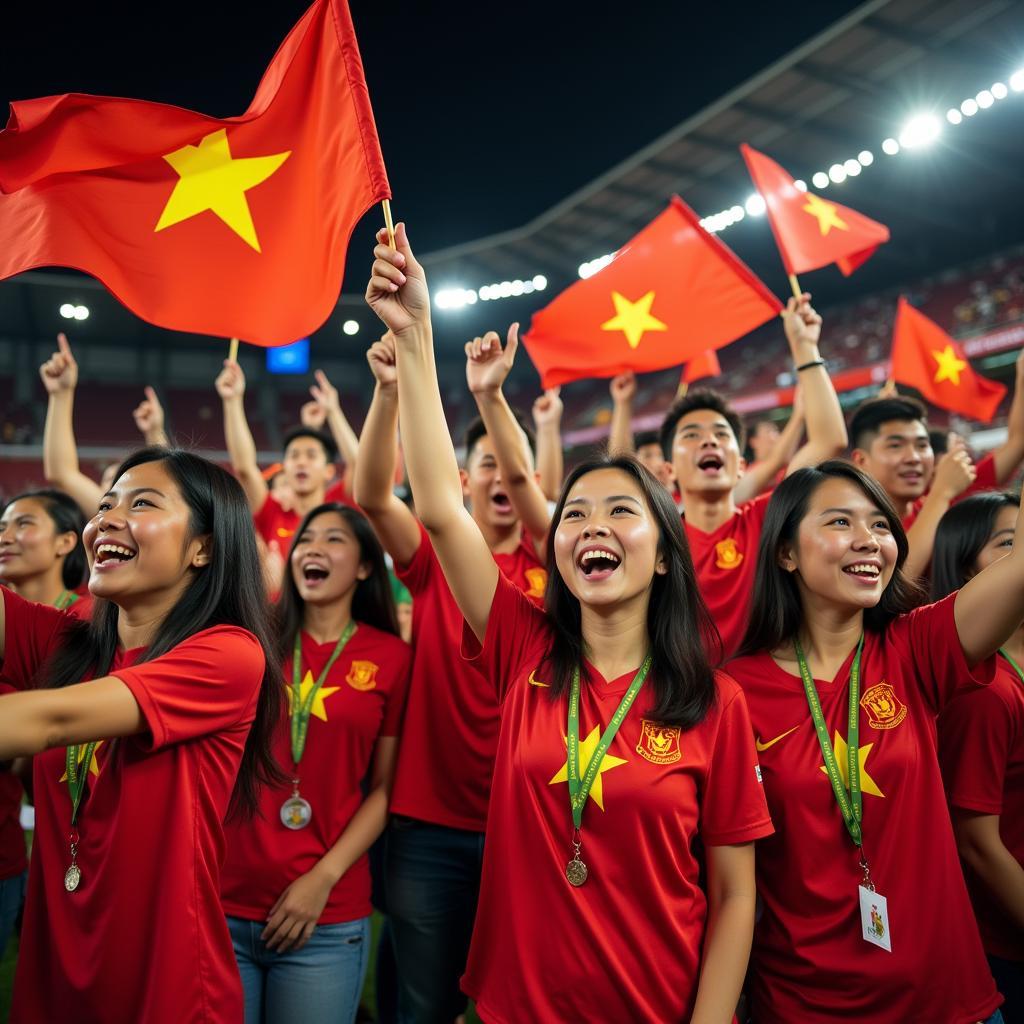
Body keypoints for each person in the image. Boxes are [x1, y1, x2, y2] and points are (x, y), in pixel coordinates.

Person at [365, 221, 773, 1023]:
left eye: (621, 510)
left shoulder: (715, 705)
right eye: (575, 512)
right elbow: (442, 506)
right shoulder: (524, 651)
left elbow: (733, 897)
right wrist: (414, 337)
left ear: (664, 554)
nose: (591, 524)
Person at [0, 447, 282, 1023]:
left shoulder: (229, 654)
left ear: (203, 546)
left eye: (142, 503)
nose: (106, 518)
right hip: (59, 970)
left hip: (168, 985)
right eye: (104, 505)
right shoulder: (66, 640)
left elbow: (49, 721)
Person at [730, 459, 1009, 1023]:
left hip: (948, 1001)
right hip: (804, 1005)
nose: (869, 541)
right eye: (840, 523)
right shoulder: (733, 691)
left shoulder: (918, 648)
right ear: (786, 552)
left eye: (881, 526)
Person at [353, 330, 547, 1023]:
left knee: (518, 1000)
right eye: (484, 466)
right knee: (423, 1005)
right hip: (428, 825)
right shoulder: (437, 559)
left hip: (532, 822)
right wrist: (386, 395)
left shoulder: (560, 578)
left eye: (509, 464)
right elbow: (373, 495)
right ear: (462, 480)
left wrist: (493, 398)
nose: (499, 477)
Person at [221, 502, 411, 1024]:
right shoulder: (249, 643)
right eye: (306, 539)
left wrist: (321, 880)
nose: (313, 549)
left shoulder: (392, 658)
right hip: (224, 902)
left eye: (333, 540)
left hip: (325, 916)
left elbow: (385, 789)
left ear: (366, 567)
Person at [658, 301, 848, 657]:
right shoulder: (657, 538)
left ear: (742, 465)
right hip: (681, 704)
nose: (710, 440)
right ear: (668, 470)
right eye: (692, 435)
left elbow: (829, 441)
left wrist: (805, 347)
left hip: (764, 704)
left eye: (720, 433)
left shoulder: (768, 519)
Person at [932, 493, 1024, 1017]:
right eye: (1007, 545)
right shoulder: (986, 692)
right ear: (970, 570)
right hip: (1006, 949)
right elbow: (979, 845)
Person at [850, 358, 1024, 576]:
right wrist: (942, 493)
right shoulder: (854, 524)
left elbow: (1018, 442)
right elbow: (893, 582)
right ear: (861, 461)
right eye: (895, 445)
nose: (914, 457)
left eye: (922, 445)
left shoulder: (943, 496)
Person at [216, 358, 341, 565]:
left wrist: (332, 413)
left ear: (329, 471)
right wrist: (232, 400)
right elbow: (245, 469)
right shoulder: (272, 514)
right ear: (284, 467)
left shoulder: (339, 515)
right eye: (293, 456)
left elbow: (357, 466)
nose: (301, 462)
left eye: (310, 456)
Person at [40, 332, 169, 516]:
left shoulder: (152, 514)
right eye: (111, 479)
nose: (119, 482)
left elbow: (165, 478)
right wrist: (61, 394)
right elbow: (61, 473)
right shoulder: (103, 510)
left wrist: (156, 432)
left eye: (126, 476)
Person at [0, 489, 90, 617]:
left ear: (65, 542)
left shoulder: (89, 619)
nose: (3, 539)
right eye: (1, 529)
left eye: (24, 524)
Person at [608, 371, 674, 491]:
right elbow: (620, 458)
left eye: (662, 455)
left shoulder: (688, 502)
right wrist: (623, 403)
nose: (657, 463)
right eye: (648, 455)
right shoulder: (635, 501)